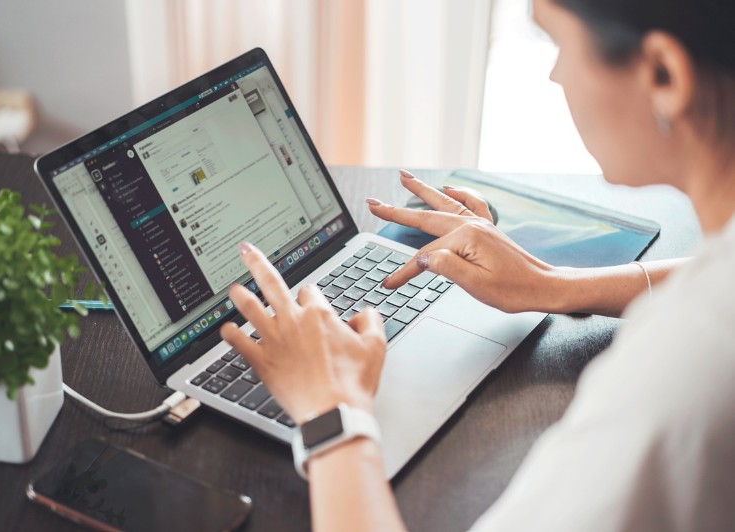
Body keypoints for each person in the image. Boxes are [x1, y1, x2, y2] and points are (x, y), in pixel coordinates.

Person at [220, 0, 735, 530]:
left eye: (558, 41)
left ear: (664, 74)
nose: (555, 74)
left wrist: (331, 410)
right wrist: (555, 284)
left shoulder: (680, 372)